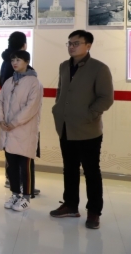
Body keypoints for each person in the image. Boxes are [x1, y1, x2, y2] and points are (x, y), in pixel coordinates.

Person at [49, 30, 113, 229]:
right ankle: (70, 205)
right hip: (65, 127)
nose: (71, 46)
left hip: (88, 130)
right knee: (69, 169)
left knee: (91, 171)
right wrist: (57, 108)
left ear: (88, 45)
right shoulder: (63, 66)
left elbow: (106, 98)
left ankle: (94, 211)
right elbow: (61, 90)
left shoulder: (99, 68)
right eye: (69, 43)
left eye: (76, 43)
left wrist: (90, 115)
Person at [0, 50, 43, 212]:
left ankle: (26, 198)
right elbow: (0, 101)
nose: (15, 63)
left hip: (24, 131)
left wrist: (14, 122)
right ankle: (15, 194)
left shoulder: (34, 82)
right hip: (8, 131)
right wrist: (1, 120)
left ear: (27, 62)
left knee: (25, 166)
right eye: (13, 60)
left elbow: (31, 107)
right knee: (12, 166)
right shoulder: (9, 81)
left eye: (18, 60)